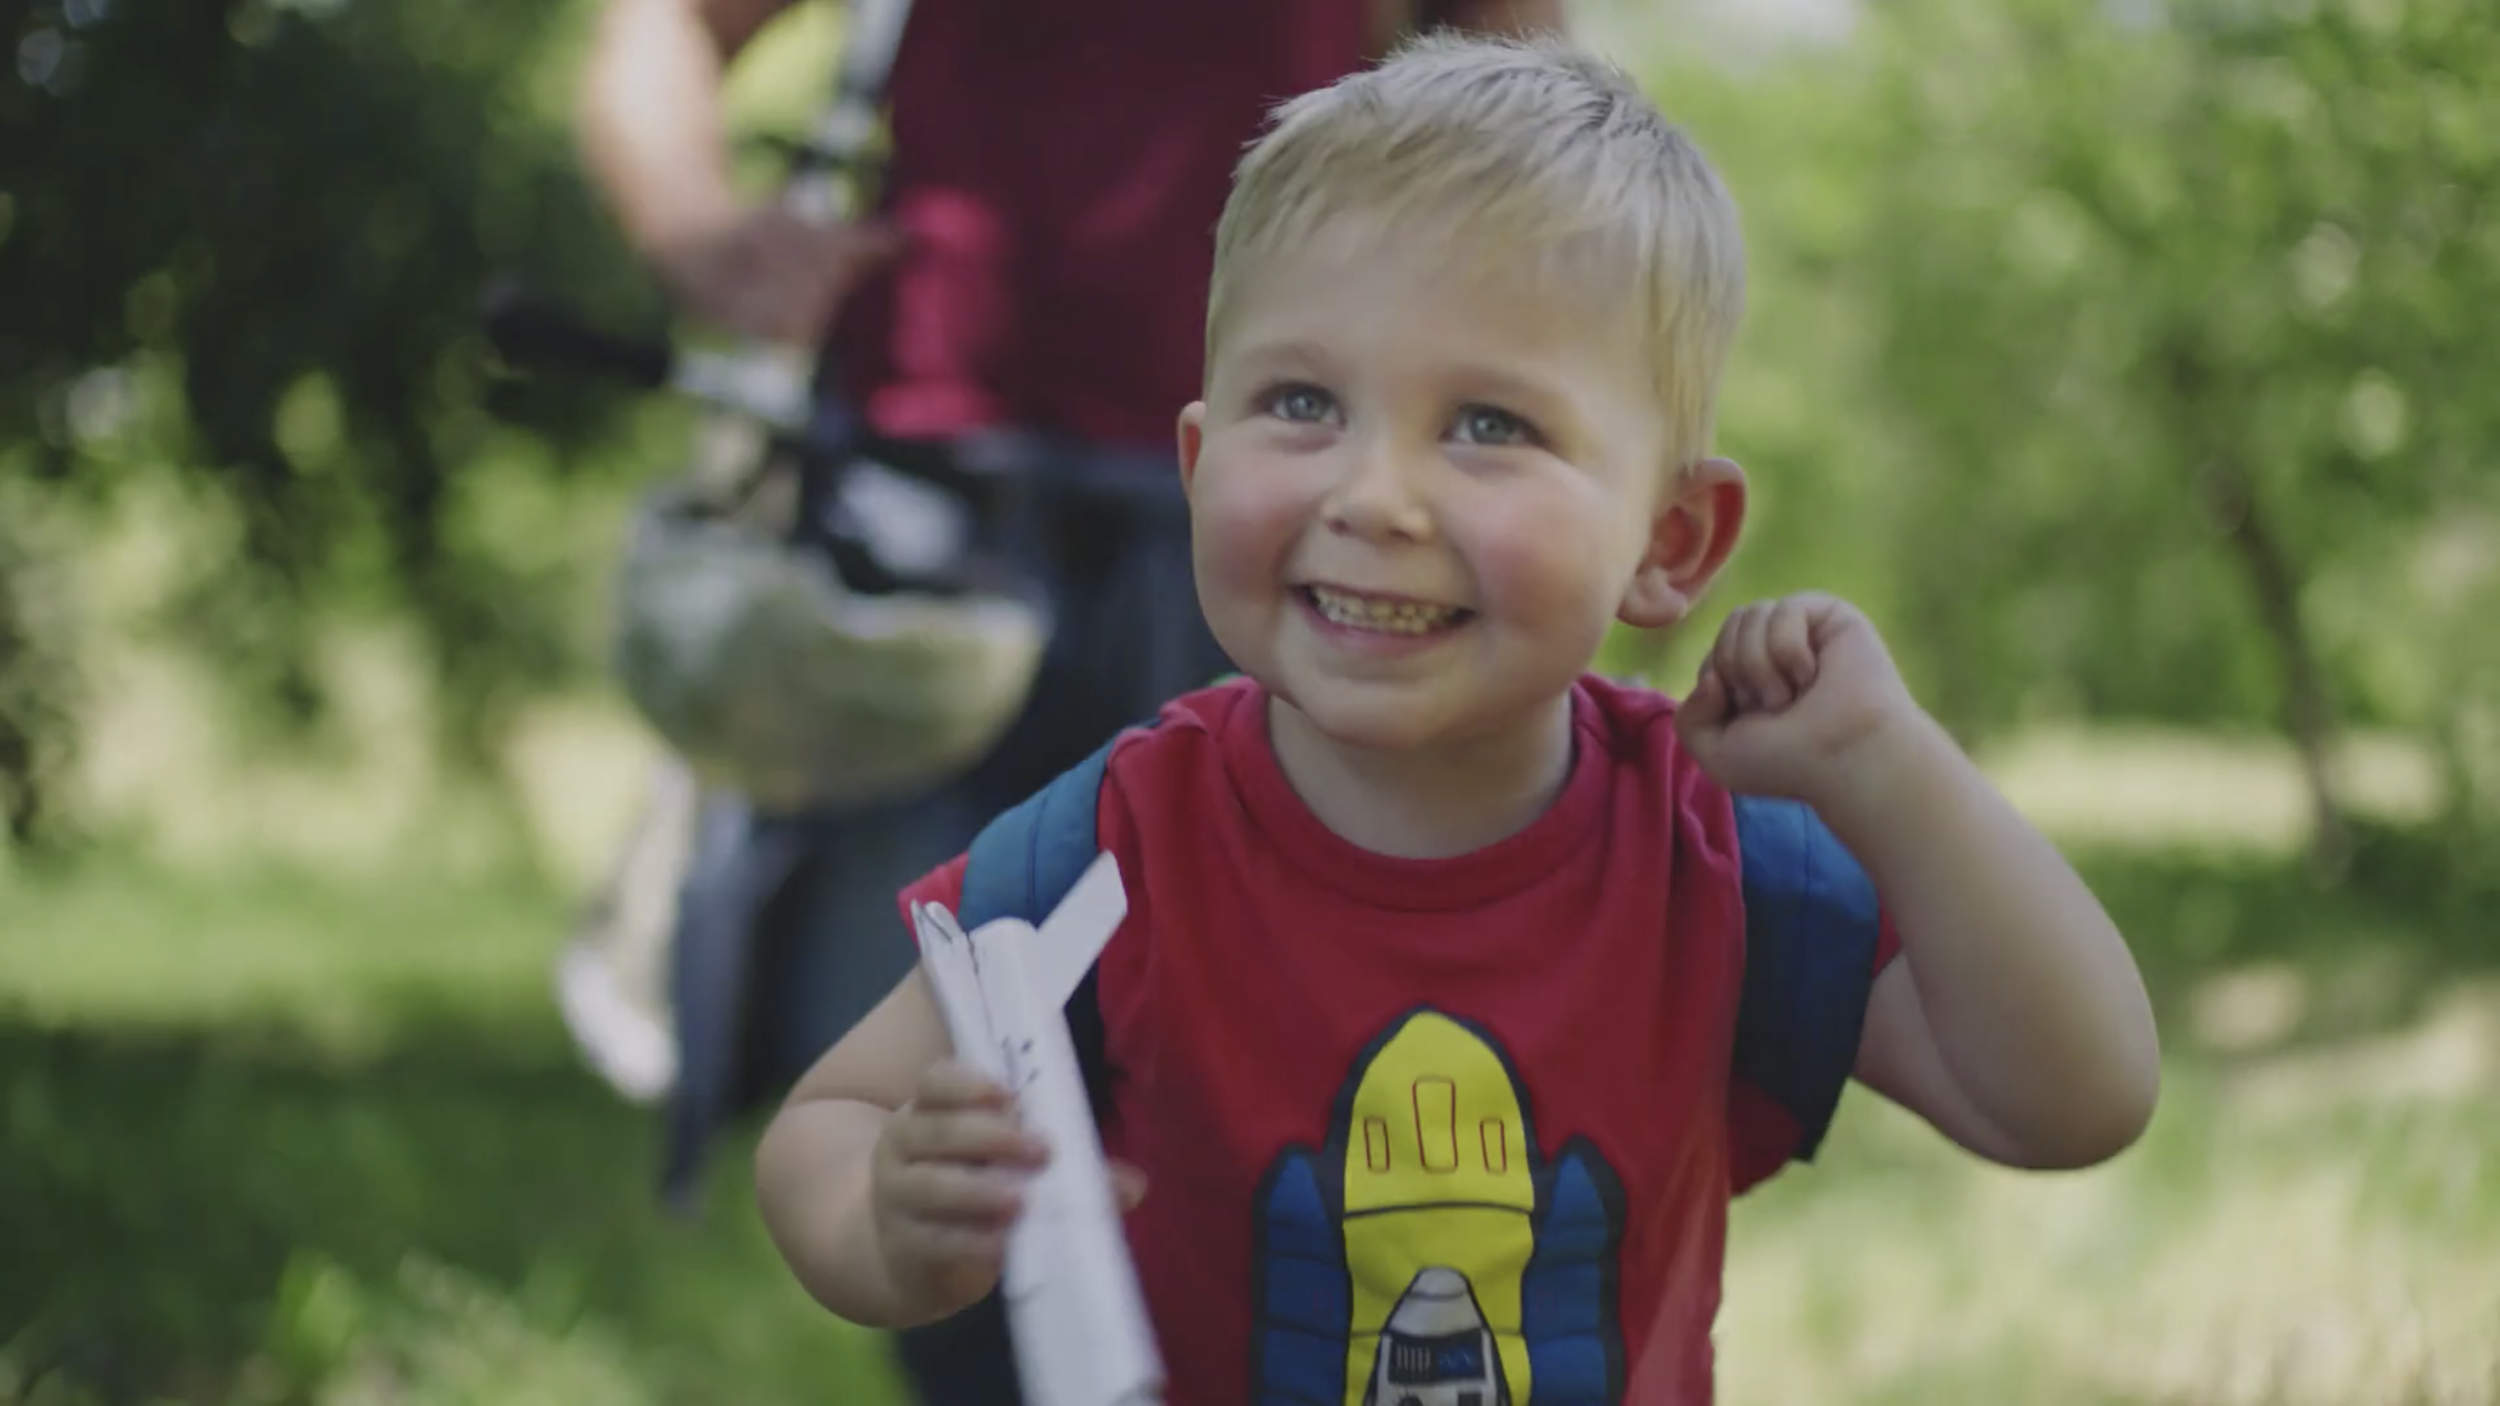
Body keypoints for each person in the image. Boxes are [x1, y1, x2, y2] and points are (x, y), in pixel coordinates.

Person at [752, 32, 2164, 1406]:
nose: (1374, 495)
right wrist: (887, 1224)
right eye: (1301, 401)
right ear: (1197, 464)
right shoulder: (1126, 838)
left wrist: (1888, 769)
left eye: (1488, 424)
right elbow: (828, 1119)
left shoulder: (1707, 855)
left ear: (1670, 536)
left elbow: (2075, 1095)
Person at [563, 1, 1567, 1399]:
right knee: (945, 1111)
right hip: (932, 515)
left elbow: (1517, 85)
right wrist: (697, 233)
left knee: (1279, 1108)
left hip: (1290, 509)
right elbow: (662, 26)